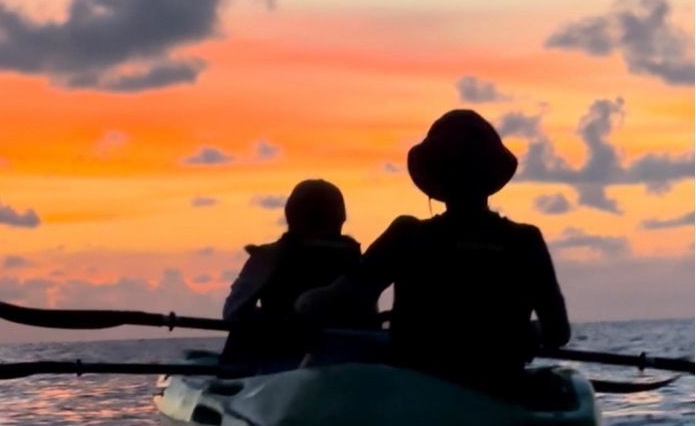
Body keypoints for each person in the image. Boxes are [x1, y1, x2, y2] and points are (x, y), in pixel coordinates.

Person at [295, 110, 570, 387]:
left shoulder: (407, 235)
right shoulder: (526, 241)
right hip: (503, 386)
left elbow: (340, 299)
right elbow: (558, 333)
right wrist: (522, 335)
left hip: (417, 390)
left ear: (435, 179)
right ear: (491, 177)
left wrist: (301, 305)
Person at [220, 179, 373, 368]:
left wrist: (269, 318)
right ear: (341, 218)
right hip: (352, 362)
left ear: (291, 216)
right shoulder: (361, 261)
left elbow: (232, 313)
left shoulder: (269, 257)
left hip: (280, 363)